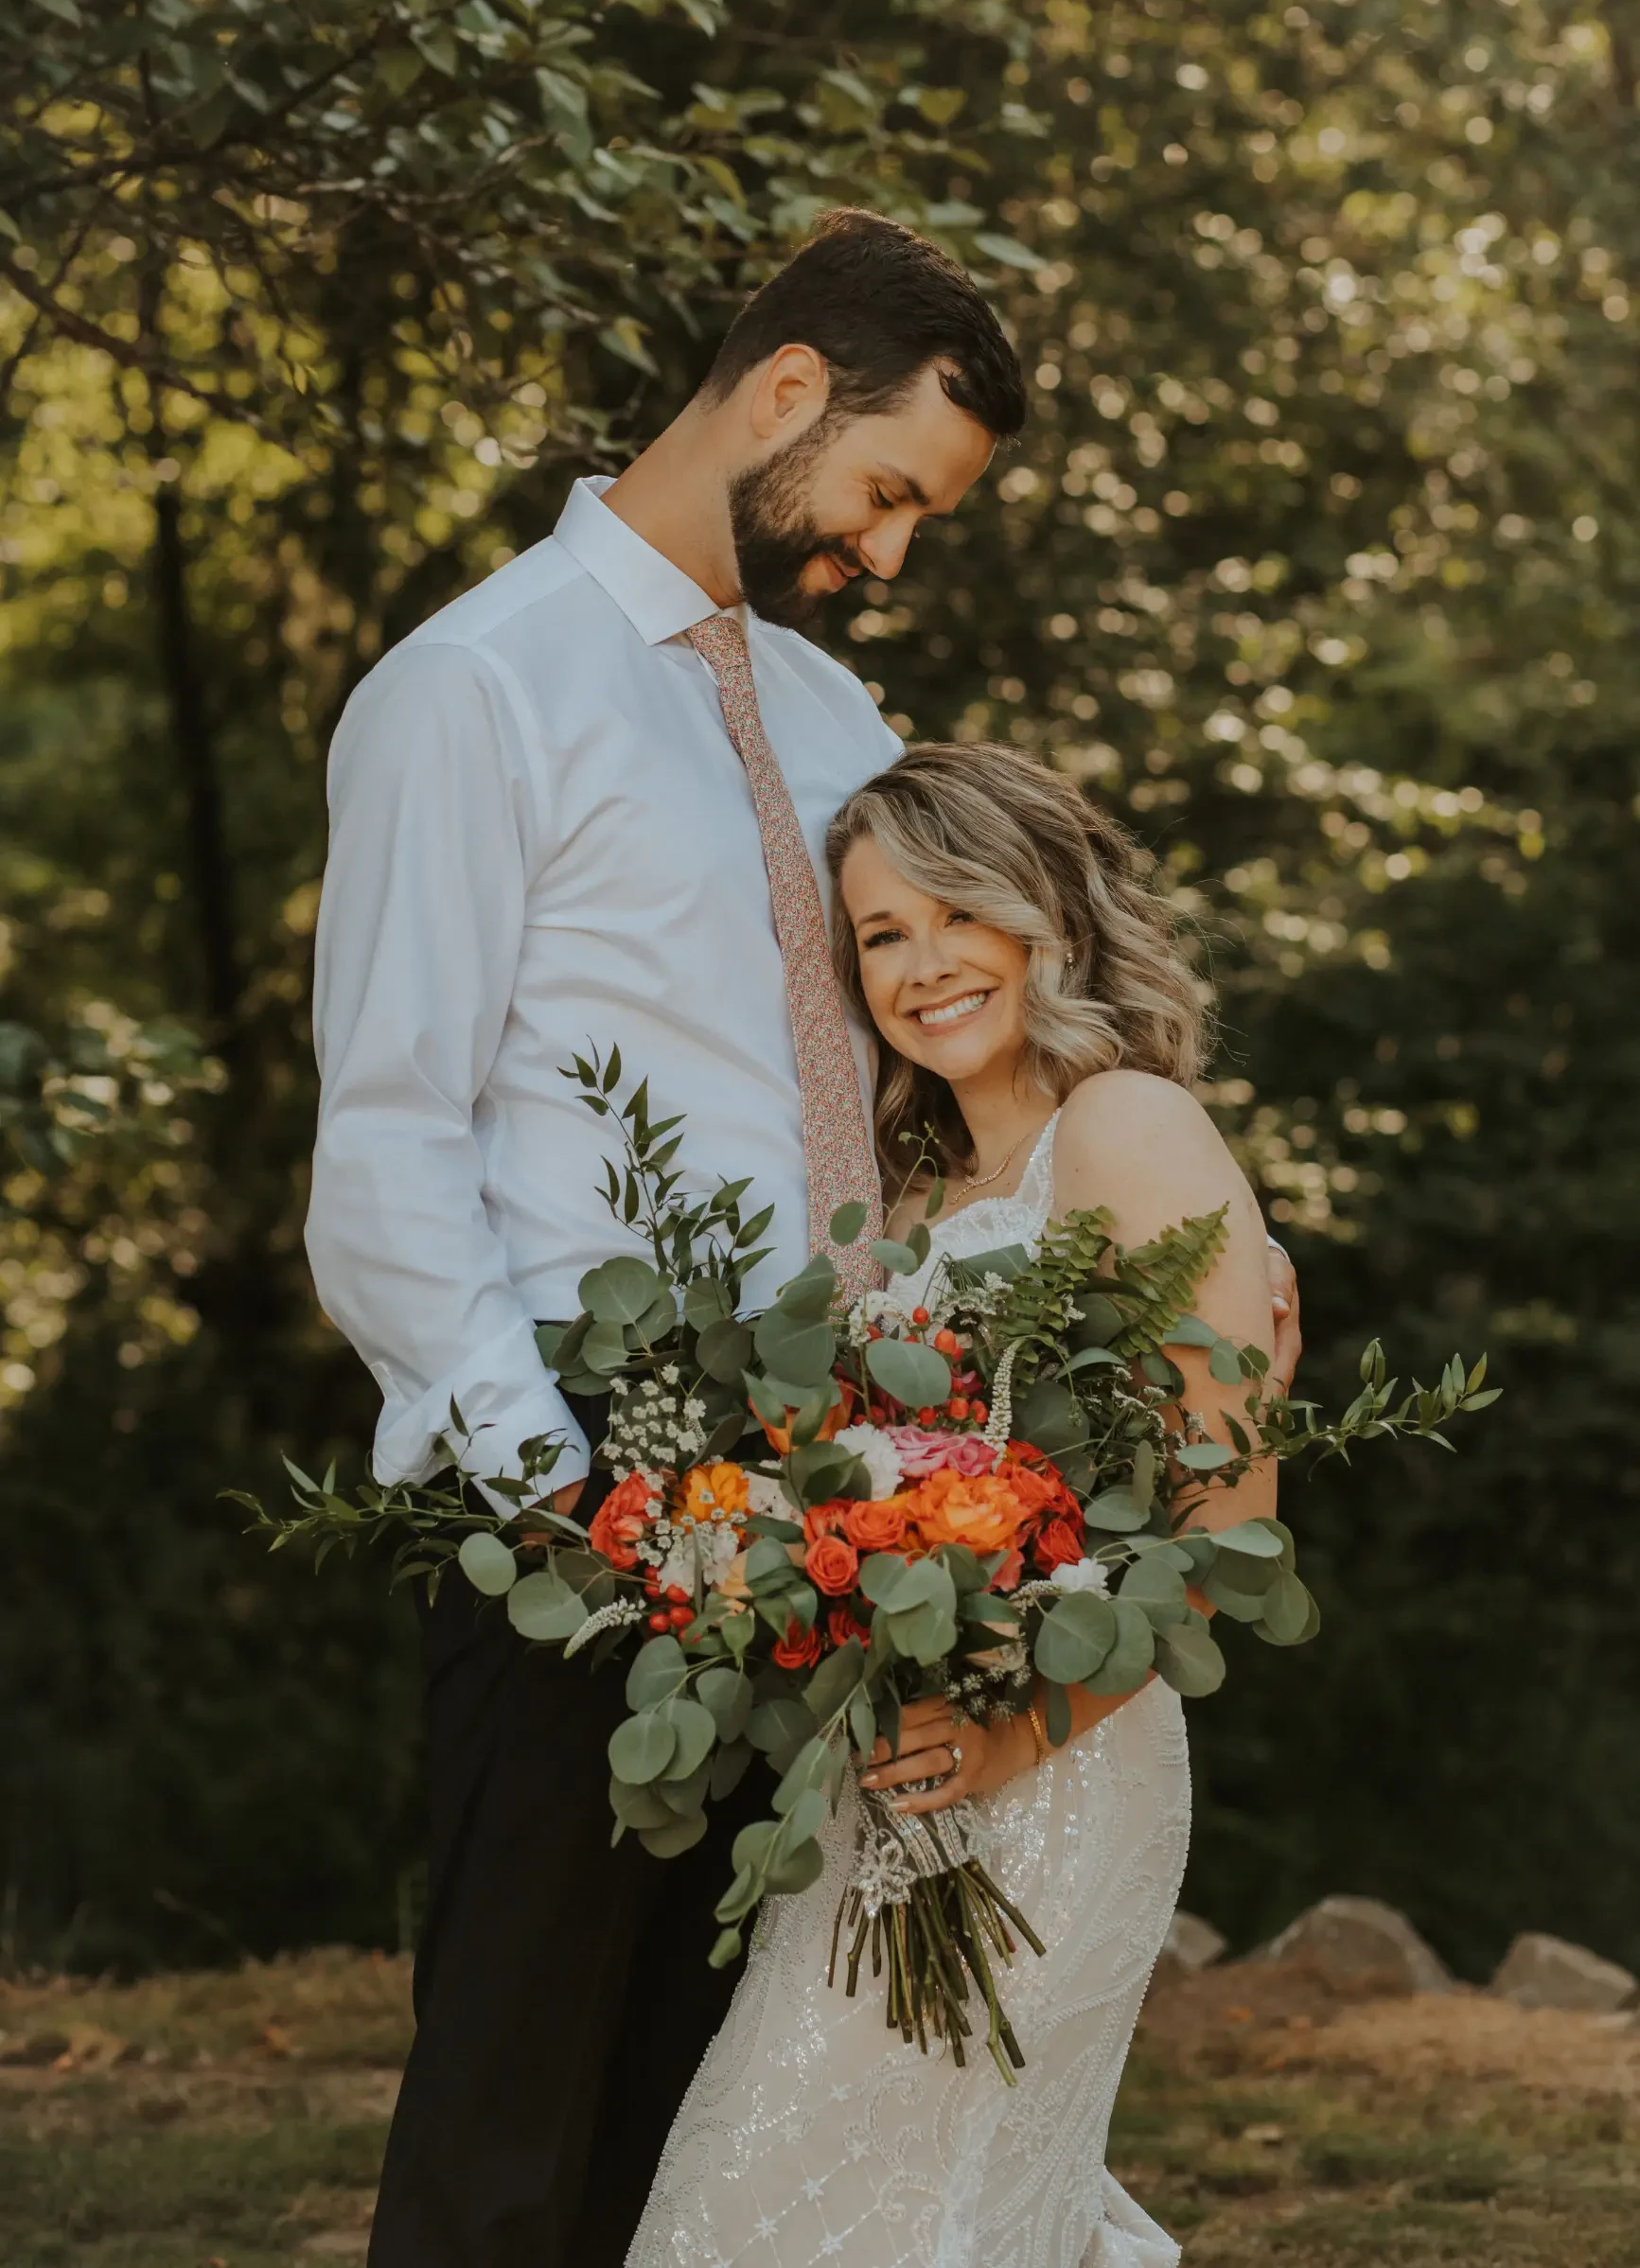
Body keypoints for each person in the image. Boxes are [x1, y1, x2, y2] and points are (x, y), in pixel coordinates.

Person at [305, 208, 1297, 2268]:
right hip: (582, 1472)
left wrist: (1156, 1268)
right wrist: (565, 1494)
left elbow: (961, 1050)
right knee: (516, 2085)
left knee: (715, 2098)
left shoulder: (841, 720)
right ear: (778, 395)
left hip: (847, 1496)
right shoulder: (469, 692)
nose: (889, 547)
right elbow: (388, 1147)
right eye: (882, 490)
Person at [628, 743, 1277, 2268]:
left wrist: (1009, 1732)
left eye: (952, 913)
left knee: (873, 2209)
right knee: (798, 2197)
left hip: (1062, 1769)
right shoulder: (908, 1198)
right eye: (879, 935)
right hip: (894, 1780)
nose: (921, 968)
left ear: (1041, 911)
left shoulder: (1127, 1128)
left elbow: (1231, 1521)